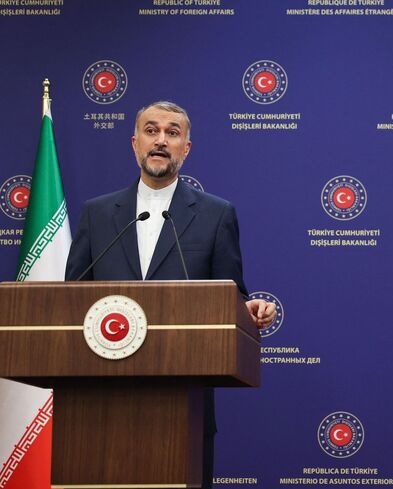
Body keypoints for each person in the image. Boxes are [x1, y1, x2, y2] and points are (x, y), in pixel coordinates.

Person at [65, 100, 277, 489]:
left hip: (184, 405)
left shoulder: (216, 215)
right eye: (151, 131)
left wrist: (248, 311)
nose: (161, 140)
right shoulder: (97, 214)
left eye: (172, 133)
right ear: (134, 144)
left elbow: (231, 295)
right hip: (100, 404)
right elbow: (71, 302)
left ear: (186, 148)